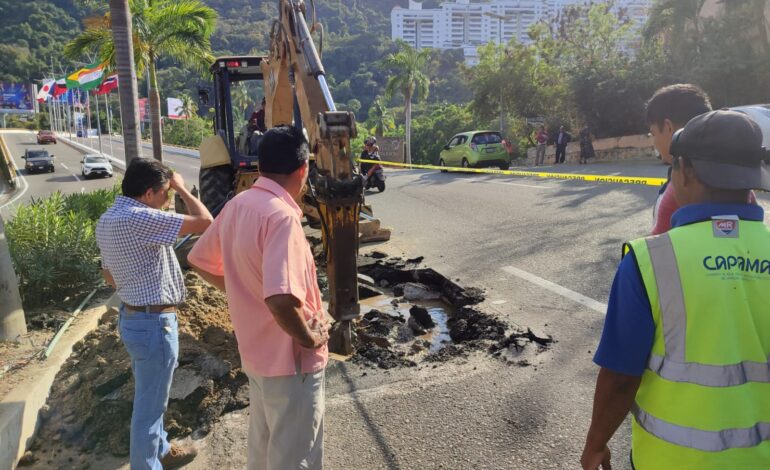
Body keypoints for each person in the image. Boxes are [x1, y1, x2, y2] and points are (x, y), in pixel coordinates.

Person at [581, 110, 770, 470]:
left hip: (669, 460)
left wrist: (596, 444)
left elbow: (621, 378)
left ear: (685, 171)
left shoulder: (648, 261)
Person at [188, 126, 330, 470]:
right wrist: (310, 338)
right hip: (291, 361)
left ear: (260, 165)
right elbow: (280, 299)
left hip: (256, 356)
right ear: (303, 170)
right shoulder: (282, 218)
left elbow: (198, 258)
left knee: (264, 450)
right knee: (295, 457)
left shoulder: (239, 204)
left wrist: (241, 290)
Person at [96, 158, 213, 470]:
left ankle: (161, 450)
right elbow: (205, 221)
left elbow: (109, 275)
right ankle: (147, 463)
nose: (167, 200)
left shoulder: (107, 219)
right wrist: (183, 189)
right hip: (153, 325)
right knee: (148, 410)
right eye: (165, 193)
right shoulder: (141, 217)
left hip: (132, 319)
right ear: (148, 193)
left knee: (151, 396)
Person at [646, 84, 712, 234]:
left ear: (668, 127)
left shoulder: (683, 184)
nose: (654, 141)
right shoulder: (730, 173)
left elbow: (657, 246)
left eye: (653, 133)